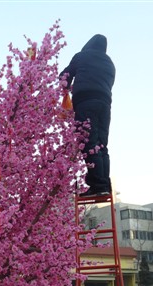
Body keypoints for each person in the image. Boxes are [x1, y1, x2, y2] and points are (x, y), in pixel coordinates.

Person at [59, 34, 115, 196]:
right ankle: (104, 185)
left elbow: (65, 76)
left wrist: (67, 87)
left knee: (89, 142)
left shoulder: (82, 56)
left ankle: (97, 186)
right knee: (101, 145)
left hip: (86, 102)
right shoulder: (110, 63)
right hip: (105, 104)